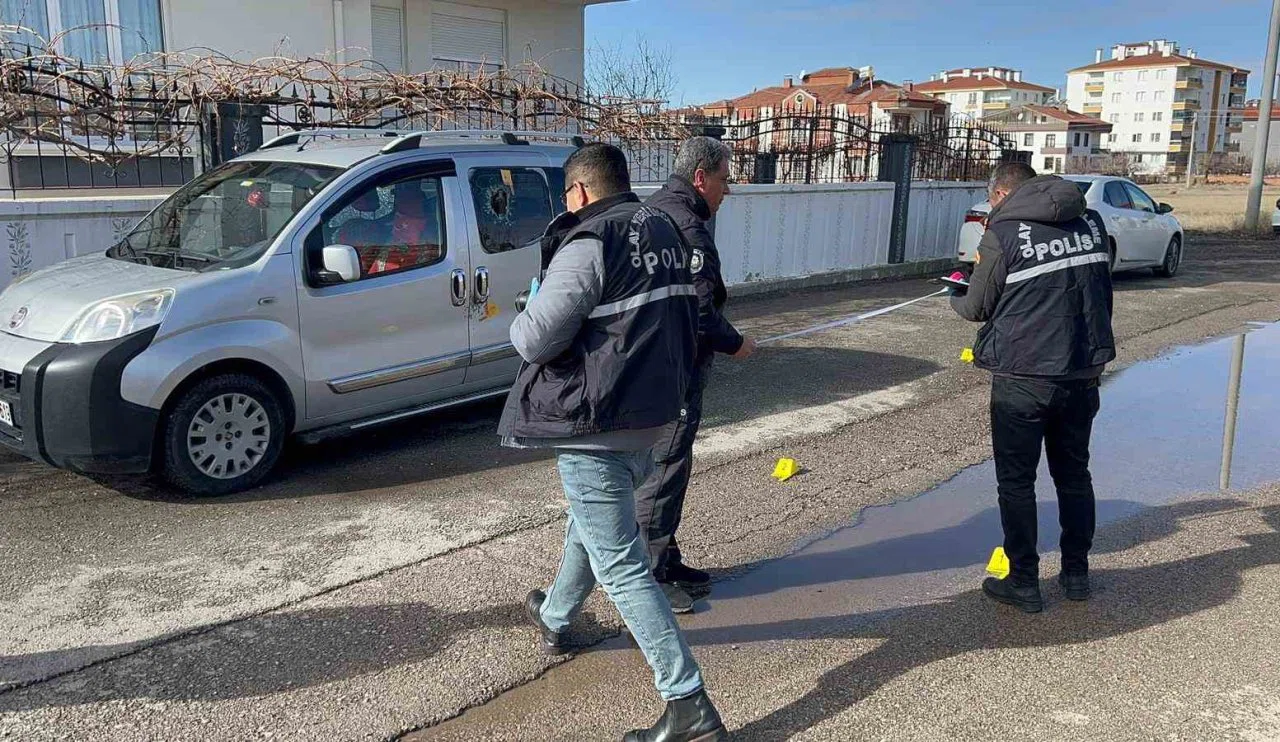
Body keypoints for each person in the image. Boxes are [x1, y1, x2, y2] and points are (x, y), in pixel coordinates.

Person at [499, 142, 728, 742]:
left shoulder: (590, 241)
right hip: (652, 414)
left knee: (621, 565)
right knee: (592, 525)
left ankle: (687, 702)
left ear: (577, 192)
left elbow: (534, 339)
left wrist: (528, 304)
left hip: (595, 422)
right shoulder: (669, 229)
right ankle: (556, 617)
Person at [950, 162, 1115, 614]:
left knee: (1017, 482)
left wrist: (956, 292)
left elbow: (978, 307)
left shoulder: (1003, 234)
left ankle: (1023, 581)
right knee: (1074, 474)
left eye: (992, 199)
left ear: (1003, 194)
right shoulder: (1091, 223)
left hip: (1023, 377)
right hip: (1081, 370)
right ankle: (1077, 574)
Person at [635, 137, 757, 613]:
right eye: (725, 180)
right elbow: (700, 310)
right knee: (664, 467)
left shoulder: (655, 210)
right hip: (674, 369)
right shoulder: (687, 226)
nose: (728, 190)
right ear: (701, 177)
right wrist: (736, 343)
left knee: (668, 465)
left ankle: (665, 559)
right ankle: (648, 575)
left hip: (656, 363)